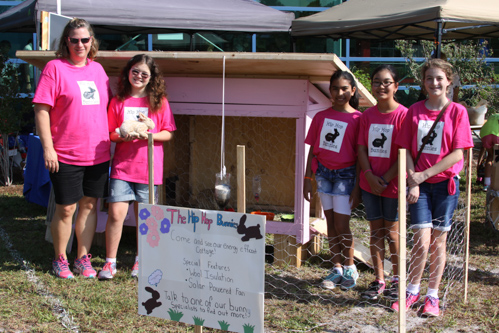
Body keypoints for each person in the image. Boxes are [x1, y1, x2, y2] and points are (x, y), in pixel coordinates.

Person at [393, 58, 473, 316]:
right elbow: (404, 149)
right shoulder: (414, 111)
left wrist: (424, 174)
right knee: (420, 240)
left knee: (439, 242)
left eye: (439, 78)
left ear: (449, 81)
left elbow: (458, 153)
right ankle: (412, 290)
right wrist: (413, 179)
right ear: (423, 82)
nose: (434, 83)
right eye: (429, 78)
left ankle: (432, 296)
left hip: (445, 186)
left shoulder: (457, 112)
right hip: (420, 188)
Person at [33, 18, 112, 279]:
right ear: (66, 41)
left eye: (85, 40)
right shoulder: (54, 68)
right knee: (66, 207)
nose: (80, 45)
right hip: (65, 153)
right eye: (74, 40)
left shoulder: (98, 71)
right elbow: (41, 110)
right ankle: (60, 259)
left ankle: (82, 258)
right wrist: (48, 148)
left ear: (92, 43)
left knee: (89, 205)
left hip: (97, 153)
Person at [98, 54, 176, 280]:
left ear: (151, 78)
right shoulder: (118, 101)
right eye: (135, 71)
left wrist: (147, 134)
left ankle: (142, 261)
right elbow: (111, 133)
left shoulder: (159, 102)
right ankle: (110, 263)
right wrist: (124, 135)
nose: (139, 76)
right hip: (122, 168)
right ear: (128, 72)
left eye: (144, 73)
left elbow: (167, 133)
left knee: (147, 218)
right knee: (115, 214)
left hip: (149, 169)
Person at [304, 70, 361, 291]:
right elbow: (311, 150)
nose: (340, 92)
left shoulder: (358, 119)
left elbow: (361, 155)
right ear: (330, 90)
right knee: (330, 223)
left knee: (342, 225)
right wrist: (307, 178)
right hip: (323, 175)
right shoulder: (320, 117)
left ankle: (350, 267)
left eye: (345, 88)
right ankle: (336, 268)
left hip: (346, 177)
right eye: (335, 88)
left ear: (353, 90)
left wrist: (357, 187)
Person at [357, 65, 407, 300]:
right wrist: (368, 174)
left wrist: (386, 179)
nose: (381, 86)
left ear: (396, 86)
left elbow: (406, 153)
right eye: (377, 81)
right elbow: (361, 147)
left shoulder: (404, 116)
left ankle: (397, 280)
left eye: (387, 82)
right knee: (375, 232)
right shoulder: (367, 116)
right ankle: (379, 280)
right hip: (369, 185)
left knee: (393, 235)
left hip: (393, 186)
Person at [479, 114, 499, 191]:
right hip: (496, 134)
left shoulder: (493, 115)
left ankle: (486, 184)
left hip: (485, 134)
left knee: (490, 157)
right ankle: (497, 183)